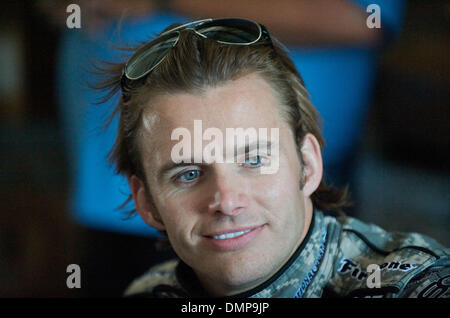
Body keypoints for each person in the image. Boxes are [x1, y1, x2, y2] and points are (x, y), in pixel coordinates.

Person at [97, 18, 449, 298]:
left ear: (308, 164)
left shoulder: (411, 284)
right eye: (188, 174)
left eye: (254, 160)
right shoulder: (146, 292)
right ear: (147, 203)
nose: (227, 202)